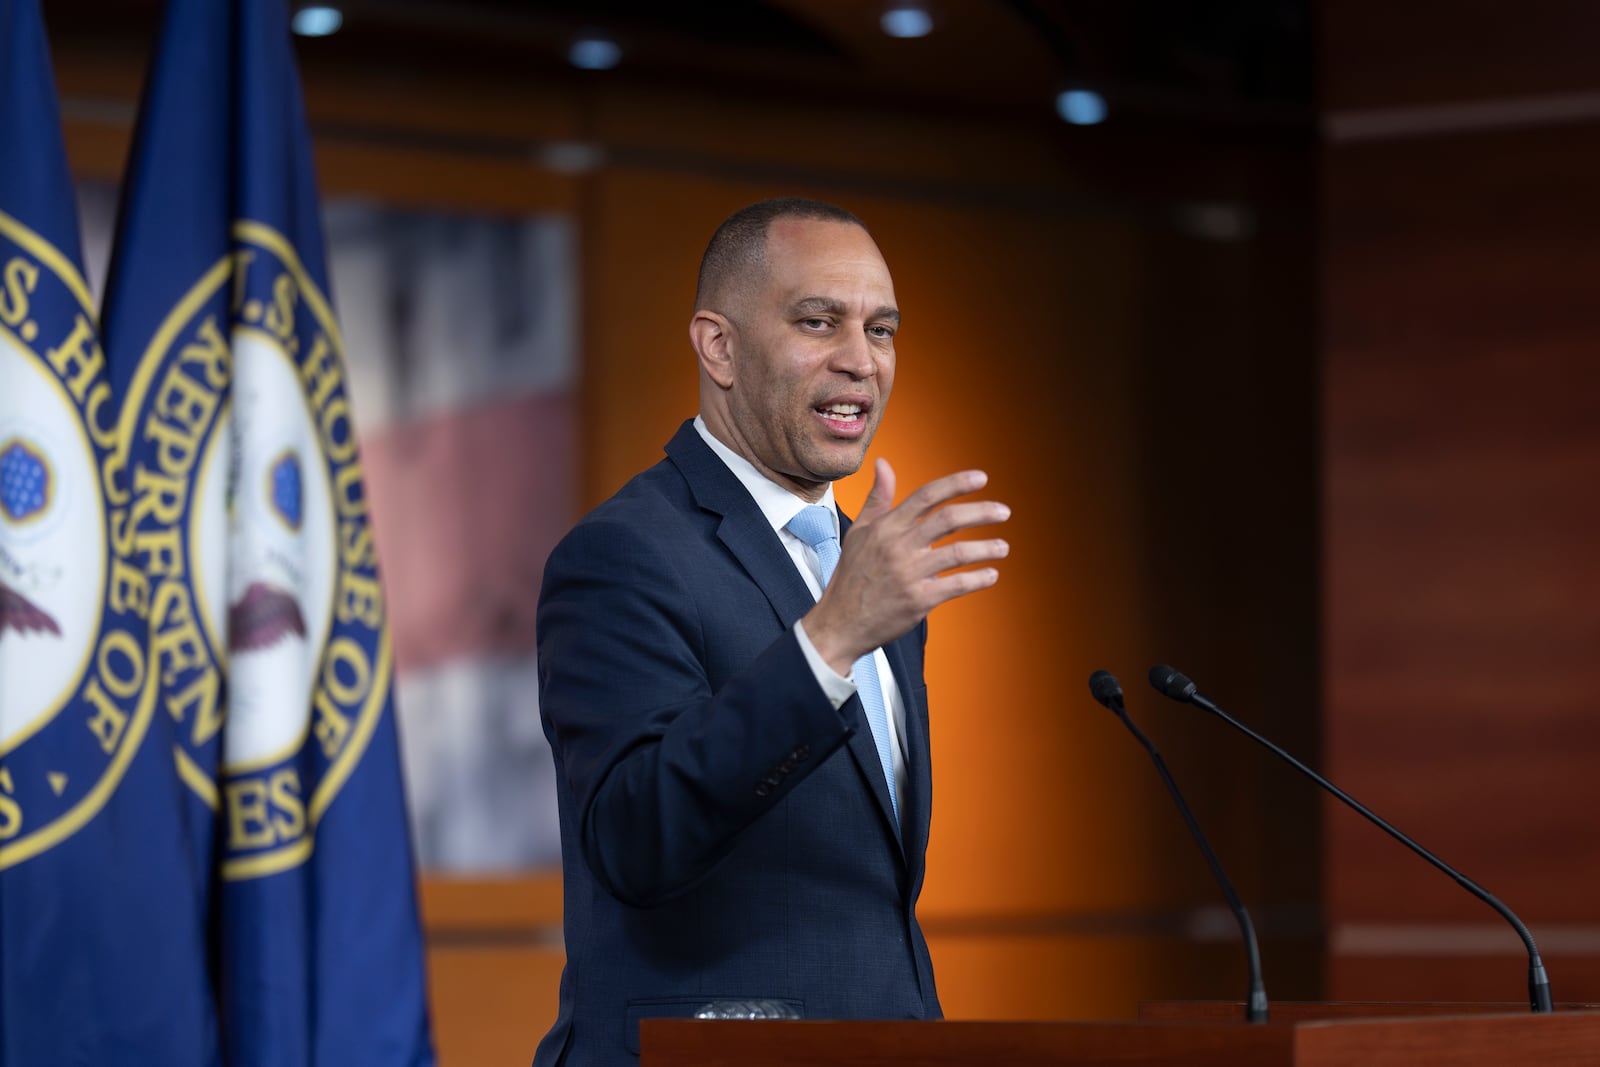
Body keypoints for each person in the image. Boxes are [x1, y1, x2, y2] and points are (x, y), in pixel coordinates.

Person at [531, 198, 1011, 1066]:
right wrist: (827, 642)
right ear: (718, 346)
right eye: (818, 321)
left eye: (882, 329)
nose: (860, 361)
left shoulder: (865, 565)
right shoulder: (621, 555)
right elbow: (636, 838)